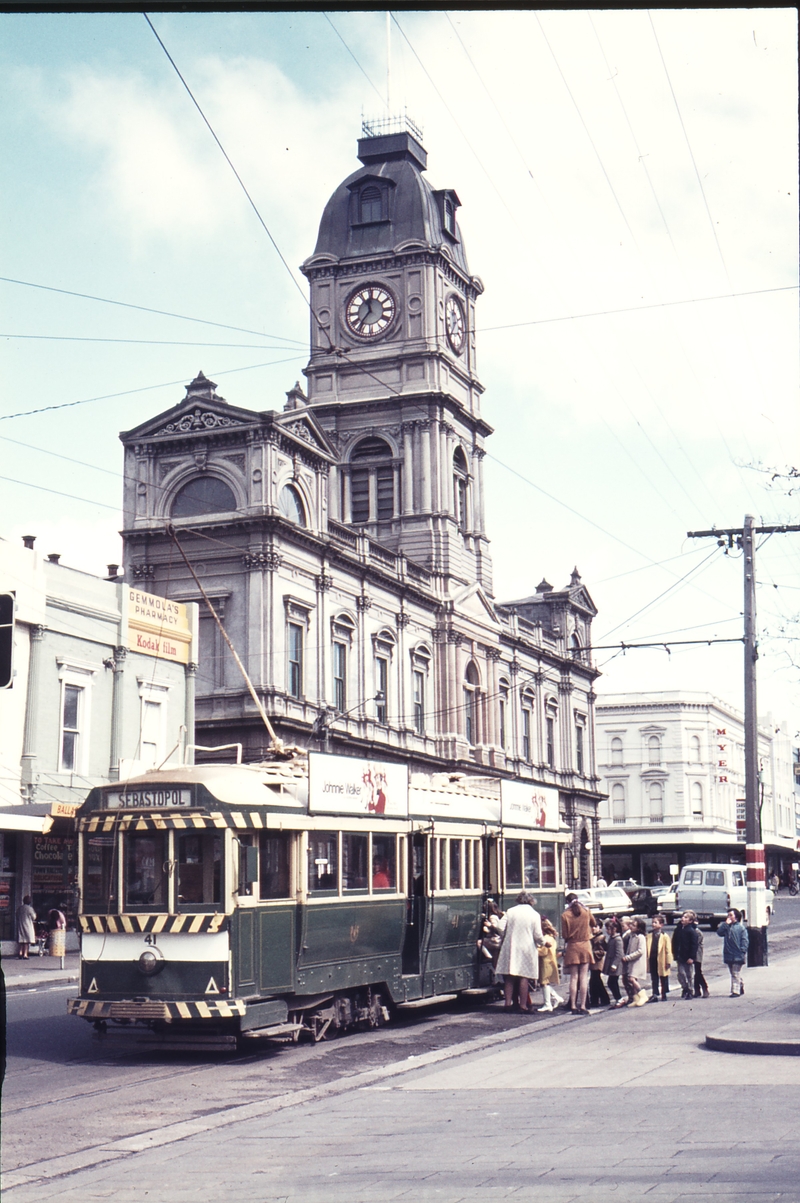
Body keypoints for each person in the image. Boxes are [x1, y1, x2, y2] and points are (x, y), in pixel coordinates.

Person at [495, 891, 544, 1012]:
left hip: (510, 945)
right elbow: (537, 934)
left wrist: (506, 935)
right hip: (526, 947)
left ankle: (507, 1004)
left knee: (509, 976)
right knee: (524, 976)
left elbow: (500, 927)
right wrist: (542, 942)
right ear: (531, 901)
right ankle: (523, 1005)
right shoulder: (534, 914)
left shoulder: (510, 911)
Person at [561, 893, 594, 1015]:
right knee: (584, 977)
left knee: (574, 978)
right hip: (585, 945)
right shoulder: (586, 911)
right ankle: (583, 1005)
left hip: (573, 946)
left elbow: (564, 935)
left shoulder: (565, 915)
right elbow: (594, 923)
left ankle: (573, 1005)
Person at [717, 907, 749, 997]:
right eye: (728, 915)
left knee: (735, 973)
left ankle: (735, 991)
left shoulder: (741, 928)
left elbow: (745, 940)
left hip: (737, 954)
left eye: (731, 915)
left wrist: (743, 951)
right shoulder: (727, 927)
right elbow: (719, 932)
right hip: (728, 953)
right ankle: (740, 985)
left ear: (736, 917)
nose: (729, 917)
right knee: (733, 972)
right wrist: (725, 925)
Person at [537, 918, 564, 1012]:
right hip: (550, 962)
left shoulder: (546, 939)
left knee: (544, 983)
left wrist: (534, 949)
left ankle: (547, 1004)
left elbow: (543, 952)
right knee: (545, 983)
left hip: (545, 963)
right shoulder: (551, 938)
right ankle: (556, 997)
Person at [672, 910, 700, 999]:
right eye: (682, 917)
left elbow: (694, 945)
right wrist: (675, 953)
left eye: (686, 917)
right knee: (681, 974)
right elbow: (674, 942)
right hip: (680, 956)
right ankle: (685, 987)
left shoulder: (691, 931)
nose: (683, 919)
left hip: (688, 957)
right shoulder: (678, 929)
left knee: (689, 974)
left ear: (690, 921)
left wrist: (692, 957)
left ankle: (690, 990)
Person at [622, 917, 648, 1006]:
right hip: (632, 961)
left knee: (632, 979)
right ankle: (636, 998)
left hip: (637, 961)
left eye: (634, 925)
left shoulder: (641, 937)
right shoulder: (632, 936)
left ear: (639, 928)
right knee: (631, 979)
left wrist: (628, 957)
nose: (631, 926)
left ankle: (642, 995)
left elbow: (640, 951)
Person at [646, 915, 672, 1001]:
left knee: (663, 977)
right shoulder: (649, 935)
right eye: (652, 922)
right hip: (652, 959)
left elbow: (668, 950)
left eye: (655, 922)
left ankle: (664, 993)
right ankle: (655, 994)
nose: (653, 924)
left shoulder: (664, 936)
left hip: (661, 960)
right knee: (654, 977)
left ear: (661, 925)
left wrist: (668, 961)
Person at [478, 899, 506, 970]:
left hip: (495, 940)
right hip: (498, 940)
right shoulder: (497, 915)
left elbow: (496, 929)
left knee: (479, 942)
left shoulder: (492, 917)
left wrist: (488, 926)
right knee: (495, 962)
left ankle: (488, 956)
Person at [588, 917, 610, 1007]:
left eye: (595, 926)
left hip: (598, 962)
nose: (593, 928)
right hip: (594, 962)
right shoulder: (594, 937)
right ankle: (595, 1000)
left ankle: (602, 999)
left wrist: (592, 953)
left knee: (595, 980)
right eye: (592, 926)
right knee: (594, 981)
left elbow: (602, 951)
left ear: (600, 928)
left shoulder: (600, 938)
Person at [603, 918, 625, 1008]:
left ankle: (619, 998)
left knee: (612, 982)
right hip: (611, 963)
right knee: (612, 982)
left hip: (615, 964)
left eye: (608, 929)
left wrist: (614, 965)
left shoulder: (618, 939)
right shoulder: (612, 939)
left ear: (614, 929)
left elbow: (619, 953)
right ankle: (618, 998)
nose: (607, 931)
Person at [690, 912, 710, 999]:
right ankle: (697, 989)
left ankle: (704, 987)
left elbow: (696, 943)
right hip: (691, 953)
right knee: (695, 972)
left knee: (698, 971)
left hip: (697, 953)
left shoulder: (697, 932)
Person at [16, 895, 36, 960]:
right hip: (28, 925)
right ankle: (25, 954)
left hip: (20, 924)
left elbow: (17, 915)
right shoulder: (29, 908)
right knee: (27, 940)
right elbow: (34, 917)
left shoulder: (20, 908)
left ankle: (20, 952)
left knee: (21, 940)